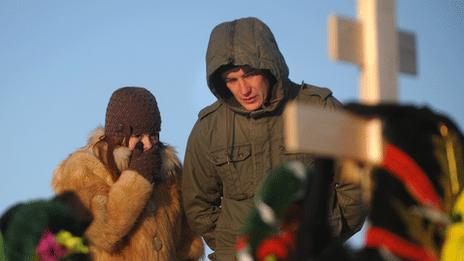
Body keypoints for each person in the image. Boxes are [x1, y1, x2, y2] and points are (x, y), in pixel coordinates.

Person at [182, 17, 366, 261]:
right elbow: (198, 205)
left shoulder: (317, 110)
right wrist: (236, 244)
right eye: (232, 80)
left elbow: (357, 181)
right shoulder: (209, 128)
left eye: (249, 75)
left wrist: (326, 233)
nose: (243, 89)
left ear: (269, 67)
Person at [52, 87, 204, 260]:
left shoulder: (168, 171)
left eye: (153, 135)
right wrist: (137, 179)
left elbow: (188, 242)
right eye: (138, 135)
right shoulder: (83, 170)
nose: (147, 144)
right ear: (118, 134)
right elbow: (103, 234)